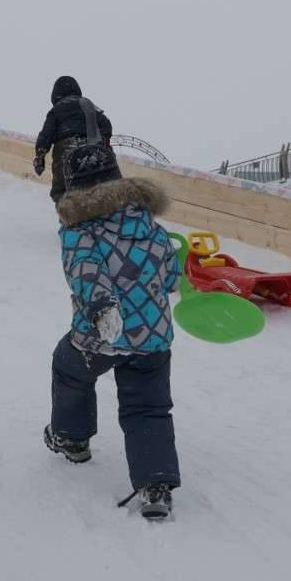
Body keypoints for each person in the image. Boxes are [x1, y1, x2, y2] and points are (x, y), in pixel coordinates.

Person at [43, 135, 183, 520]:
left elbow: (85, 271)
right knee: (148, 407)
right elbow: (171, 275)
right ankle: (154, 483)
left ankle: (71, 440)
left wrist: (103, 309)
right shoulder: (147, 223)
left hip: (101, 336)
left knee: (67, 367)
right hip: (153, 338)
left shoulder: (78, 229)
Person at [33, 75, 113, 204]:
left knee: (62, 192)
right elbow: (106, 125)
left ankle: (69, 218)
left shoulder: (55, 111)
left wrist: (40, 156)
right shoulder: (88, 104)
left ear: (55, 95)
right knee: (103, 186)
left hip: (66, 154)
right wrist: (104, 141)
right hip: (94, 151)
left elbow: (45, 136)